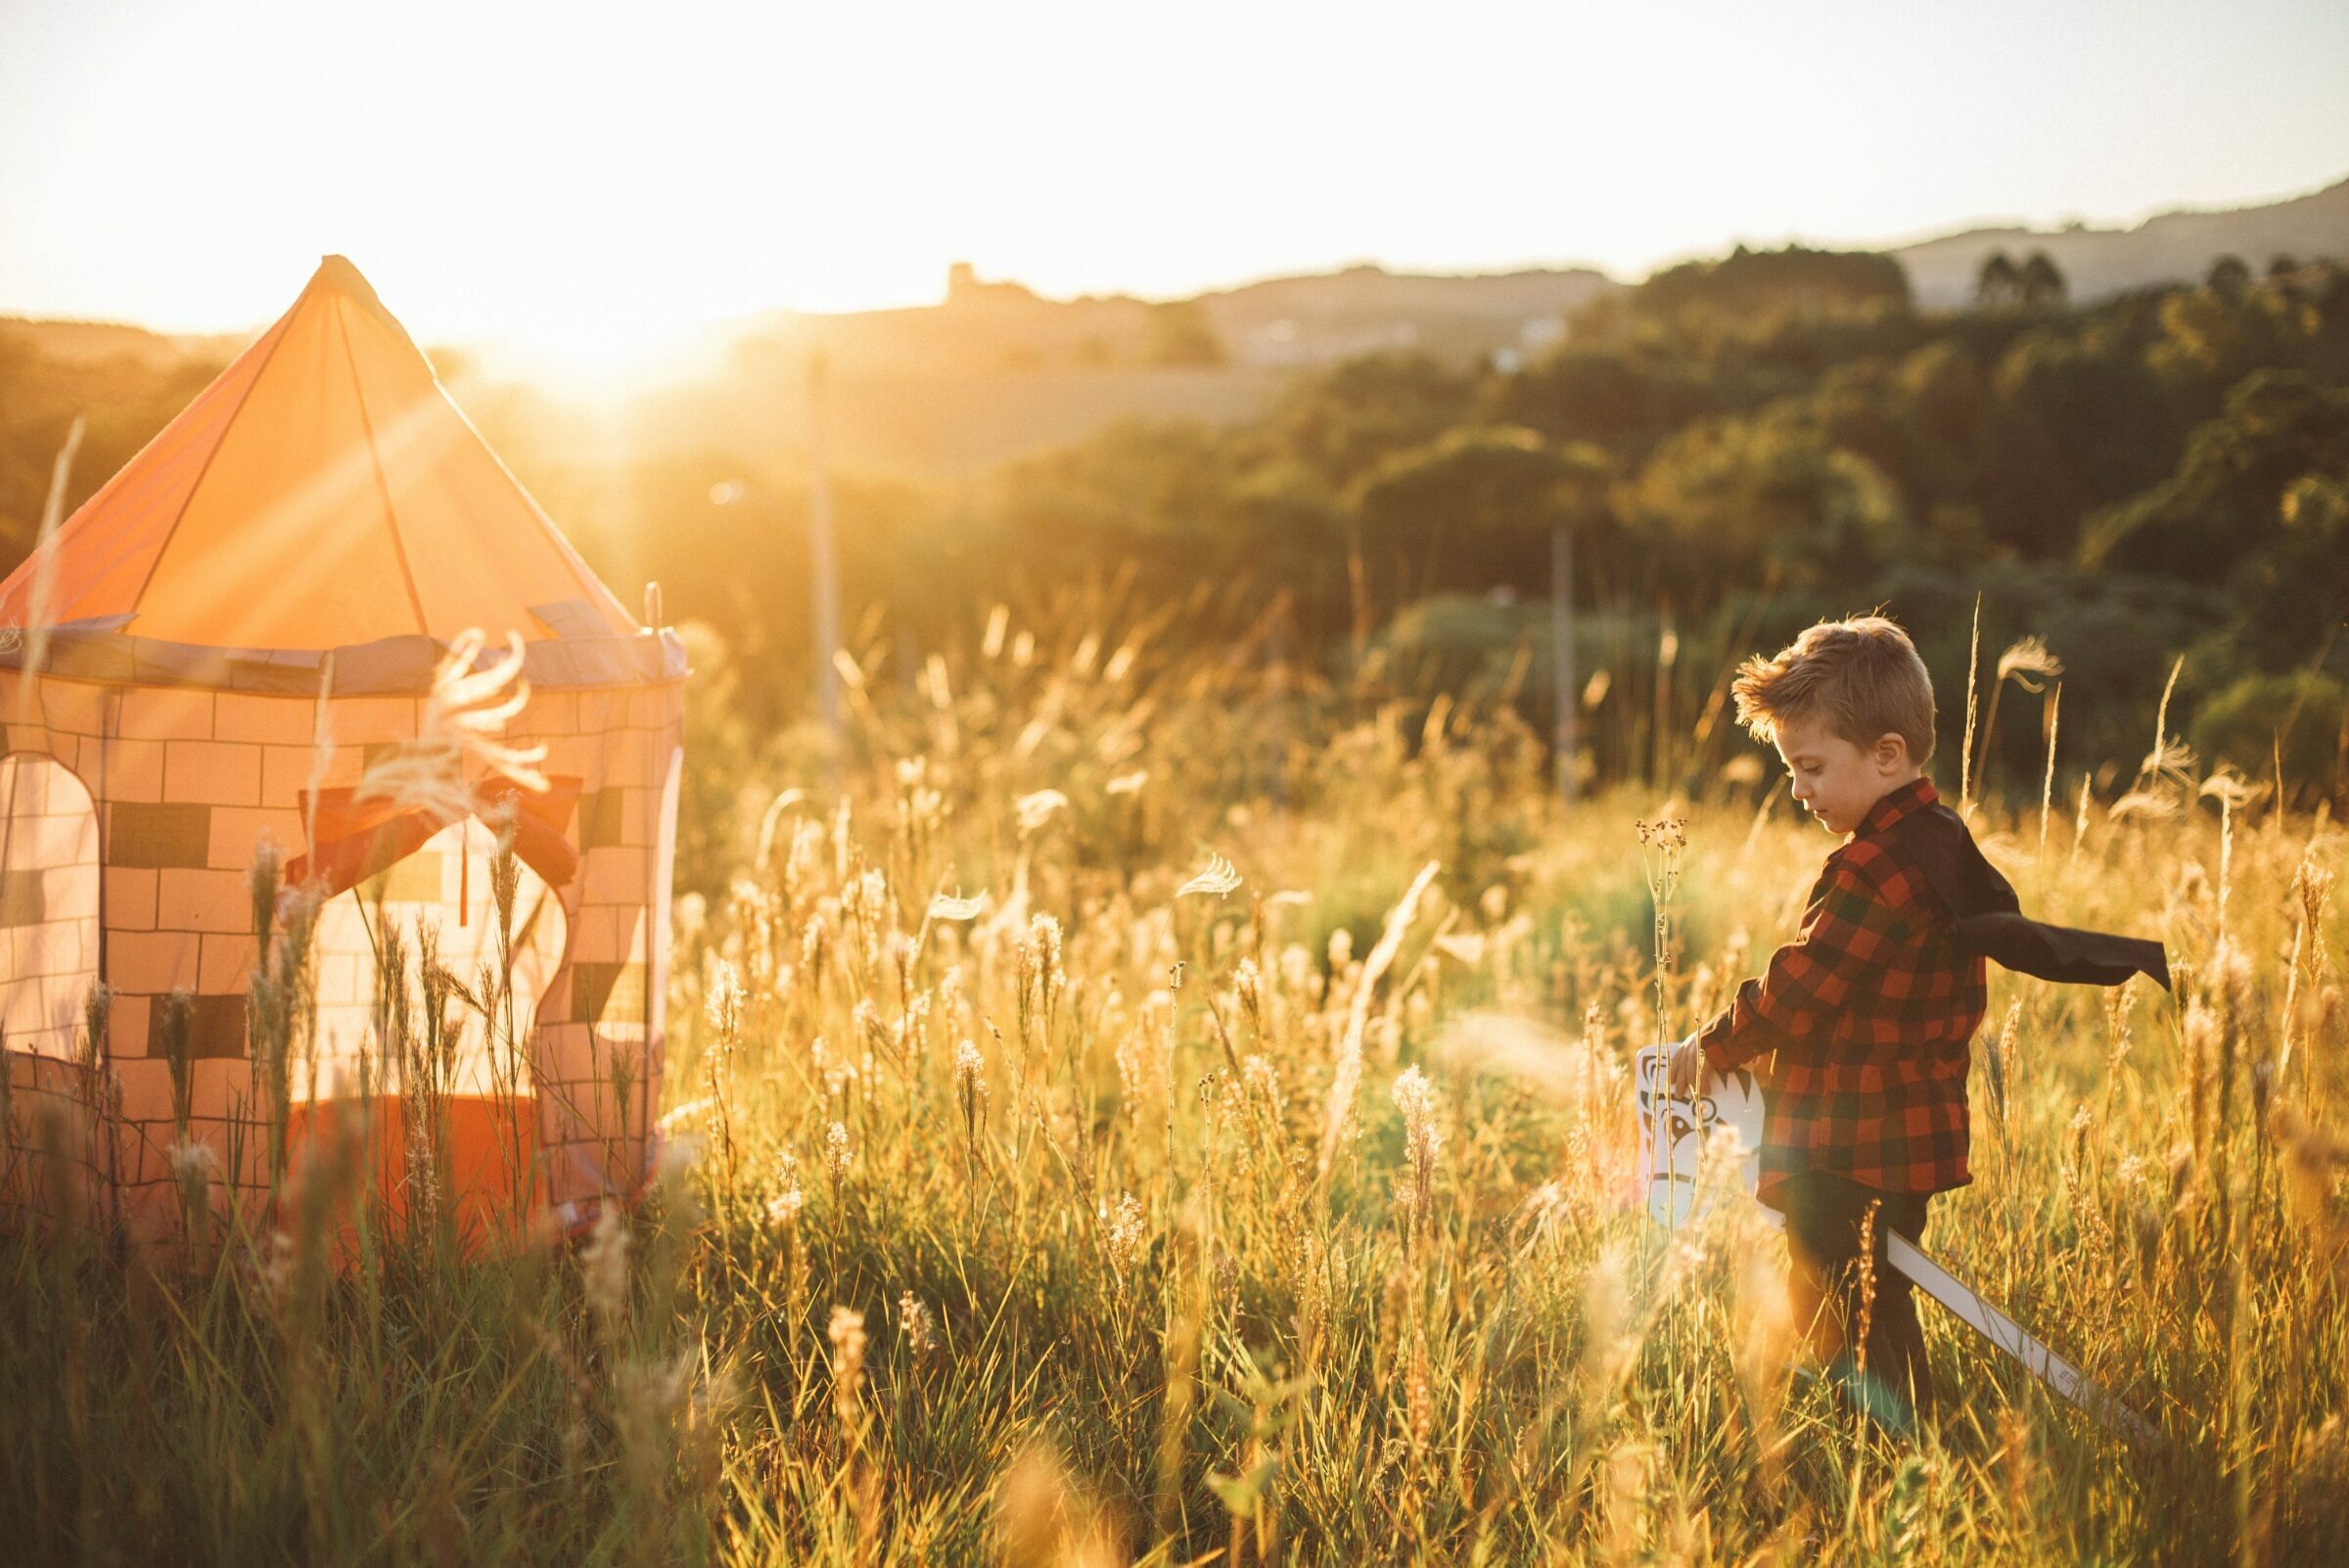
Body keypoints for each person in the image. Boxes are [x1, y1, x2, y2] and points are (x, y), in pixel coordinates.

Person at [1664, 616, 2163, 1434]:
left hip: (1850, 1143)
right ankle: (1906, 1434)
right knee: (1877, 1297)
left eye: (1813, 768)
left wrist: (1712, 1048)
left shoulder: (1875, 865)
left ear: (1887, 755)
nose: (1799, 791)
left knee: (1835, 1300)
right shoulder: (1939, 840)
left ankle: (1885, 1448)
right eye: (1793, 770)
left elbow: (1802, 986)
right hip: (1904, 1134)